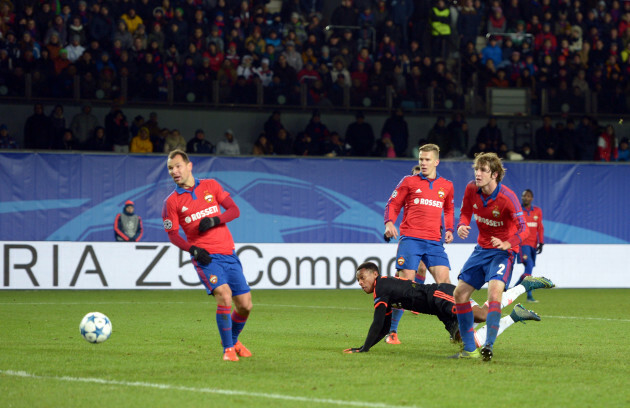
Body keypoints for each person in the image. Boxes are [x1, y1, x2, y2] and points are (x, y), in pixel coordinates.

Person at [343, 262, 554, 354]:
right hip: (437, 308)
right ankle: (514, 316)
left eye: (362, 277)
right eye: (358, 280)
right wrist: (368, 347)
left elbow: (378, 321)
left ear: (374, 274)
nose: (360, 282)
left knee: (480, 315)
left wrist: (364, 348)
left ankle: (524, 286)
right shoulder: (384, 292)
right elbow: (384, 326)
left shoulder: (381, 287)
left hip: (438, 295)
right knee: (463, 341)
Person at [162, 150, 252, 362]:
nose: (174, 171)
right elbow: (173, 235)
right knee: (224, 295)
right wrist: (192, 250)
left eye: (177, 166)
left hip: (229, 253)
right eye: (170, 168)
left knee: (246, 306)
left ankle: (233, 339)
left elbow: (234, 210)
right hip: (206, 258)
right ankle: (228, 350)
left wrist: (214, 220)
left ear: (189, 166)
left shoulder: (211, 185)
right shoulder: (171, 202)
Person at [454, 152, 529, 361]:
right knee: (459, 294)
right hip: (481, 250)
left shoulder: (508, 198)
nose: (478, 174)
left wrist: (508, 243)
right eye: (476, 169)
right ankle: (470, 349)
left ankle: (488, 345)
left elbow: (524, 230)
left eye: (483, 170)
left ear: (494, 174)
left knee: (494, 294)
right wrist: (462, 225)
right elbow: (466, 211)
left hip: (502, 253)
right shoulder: (471, 189)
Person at [383, 143, 454, 345]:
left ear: (436, 162)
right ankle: (393, 332)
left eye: (427, 159)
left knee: (446, 286)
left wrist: (449, 229)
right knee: (404, 285)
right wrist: (389, 222)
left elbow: (448, 209)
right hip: (411, 239)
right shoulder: (409, 181)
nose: (423, 163)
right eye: (421, 159)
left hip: (434, 242)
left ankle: (453, 328)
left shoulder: (446, 186)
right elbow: (393, 204)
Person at [514, 189, 544, 303]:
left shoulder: (537, 211)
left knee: (528, 270)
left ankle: (512, 290)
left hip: (533, 244)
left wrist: (541, 242)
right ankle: (529, 295)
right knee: (529, 265)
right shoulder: (518, 210)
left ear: (531, 198)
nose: (525, 198)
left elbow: (540, 227)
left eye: (528, 196)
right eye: (523, 196)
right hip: (522, 244)